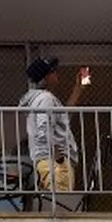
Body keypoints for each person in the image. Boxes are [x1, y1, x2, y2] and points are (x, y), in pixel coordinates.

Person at [18, 57, 88, 192]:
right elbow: (43, 127)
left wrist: (78, 89)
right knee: (60, 201)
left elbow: (62, 118)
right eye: (52, 71)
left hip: (48, 161)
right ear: (45, 77)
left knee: (54, 200)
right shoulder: (46, 99)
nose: (56, 73)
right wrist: (57, 156)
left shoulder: (40, 98)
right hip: (54, 162)